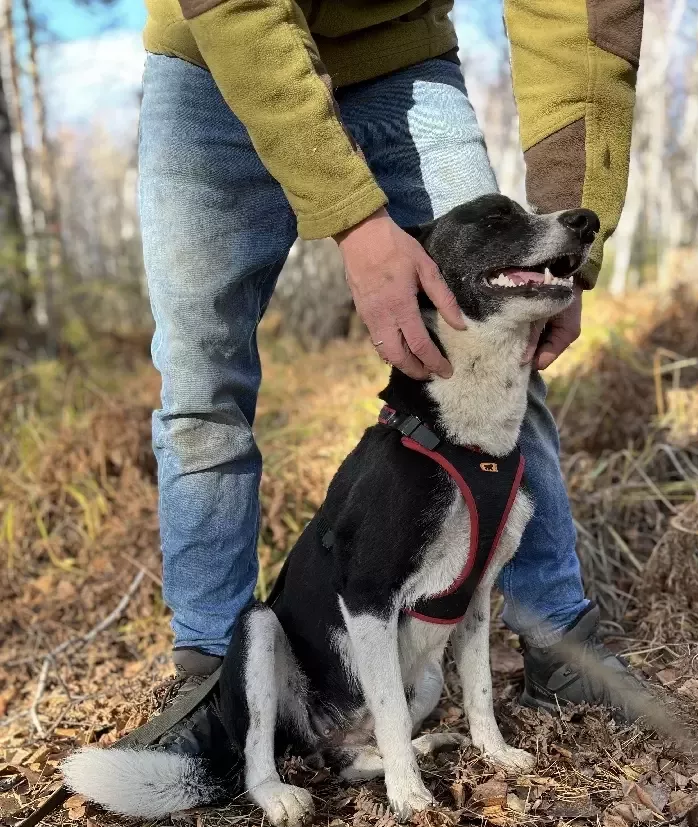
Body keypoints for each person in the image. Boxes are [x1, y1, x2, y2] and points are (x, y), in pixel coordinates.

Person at [139, 0, 652, 728]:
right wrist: (354, 219)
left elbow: (577, 16)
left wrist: (562, 259)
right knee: (201, 385)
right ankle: (214, 677)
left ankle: (560, 641)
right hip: (216, 55)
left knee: (502, 344)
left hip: (400, 59)